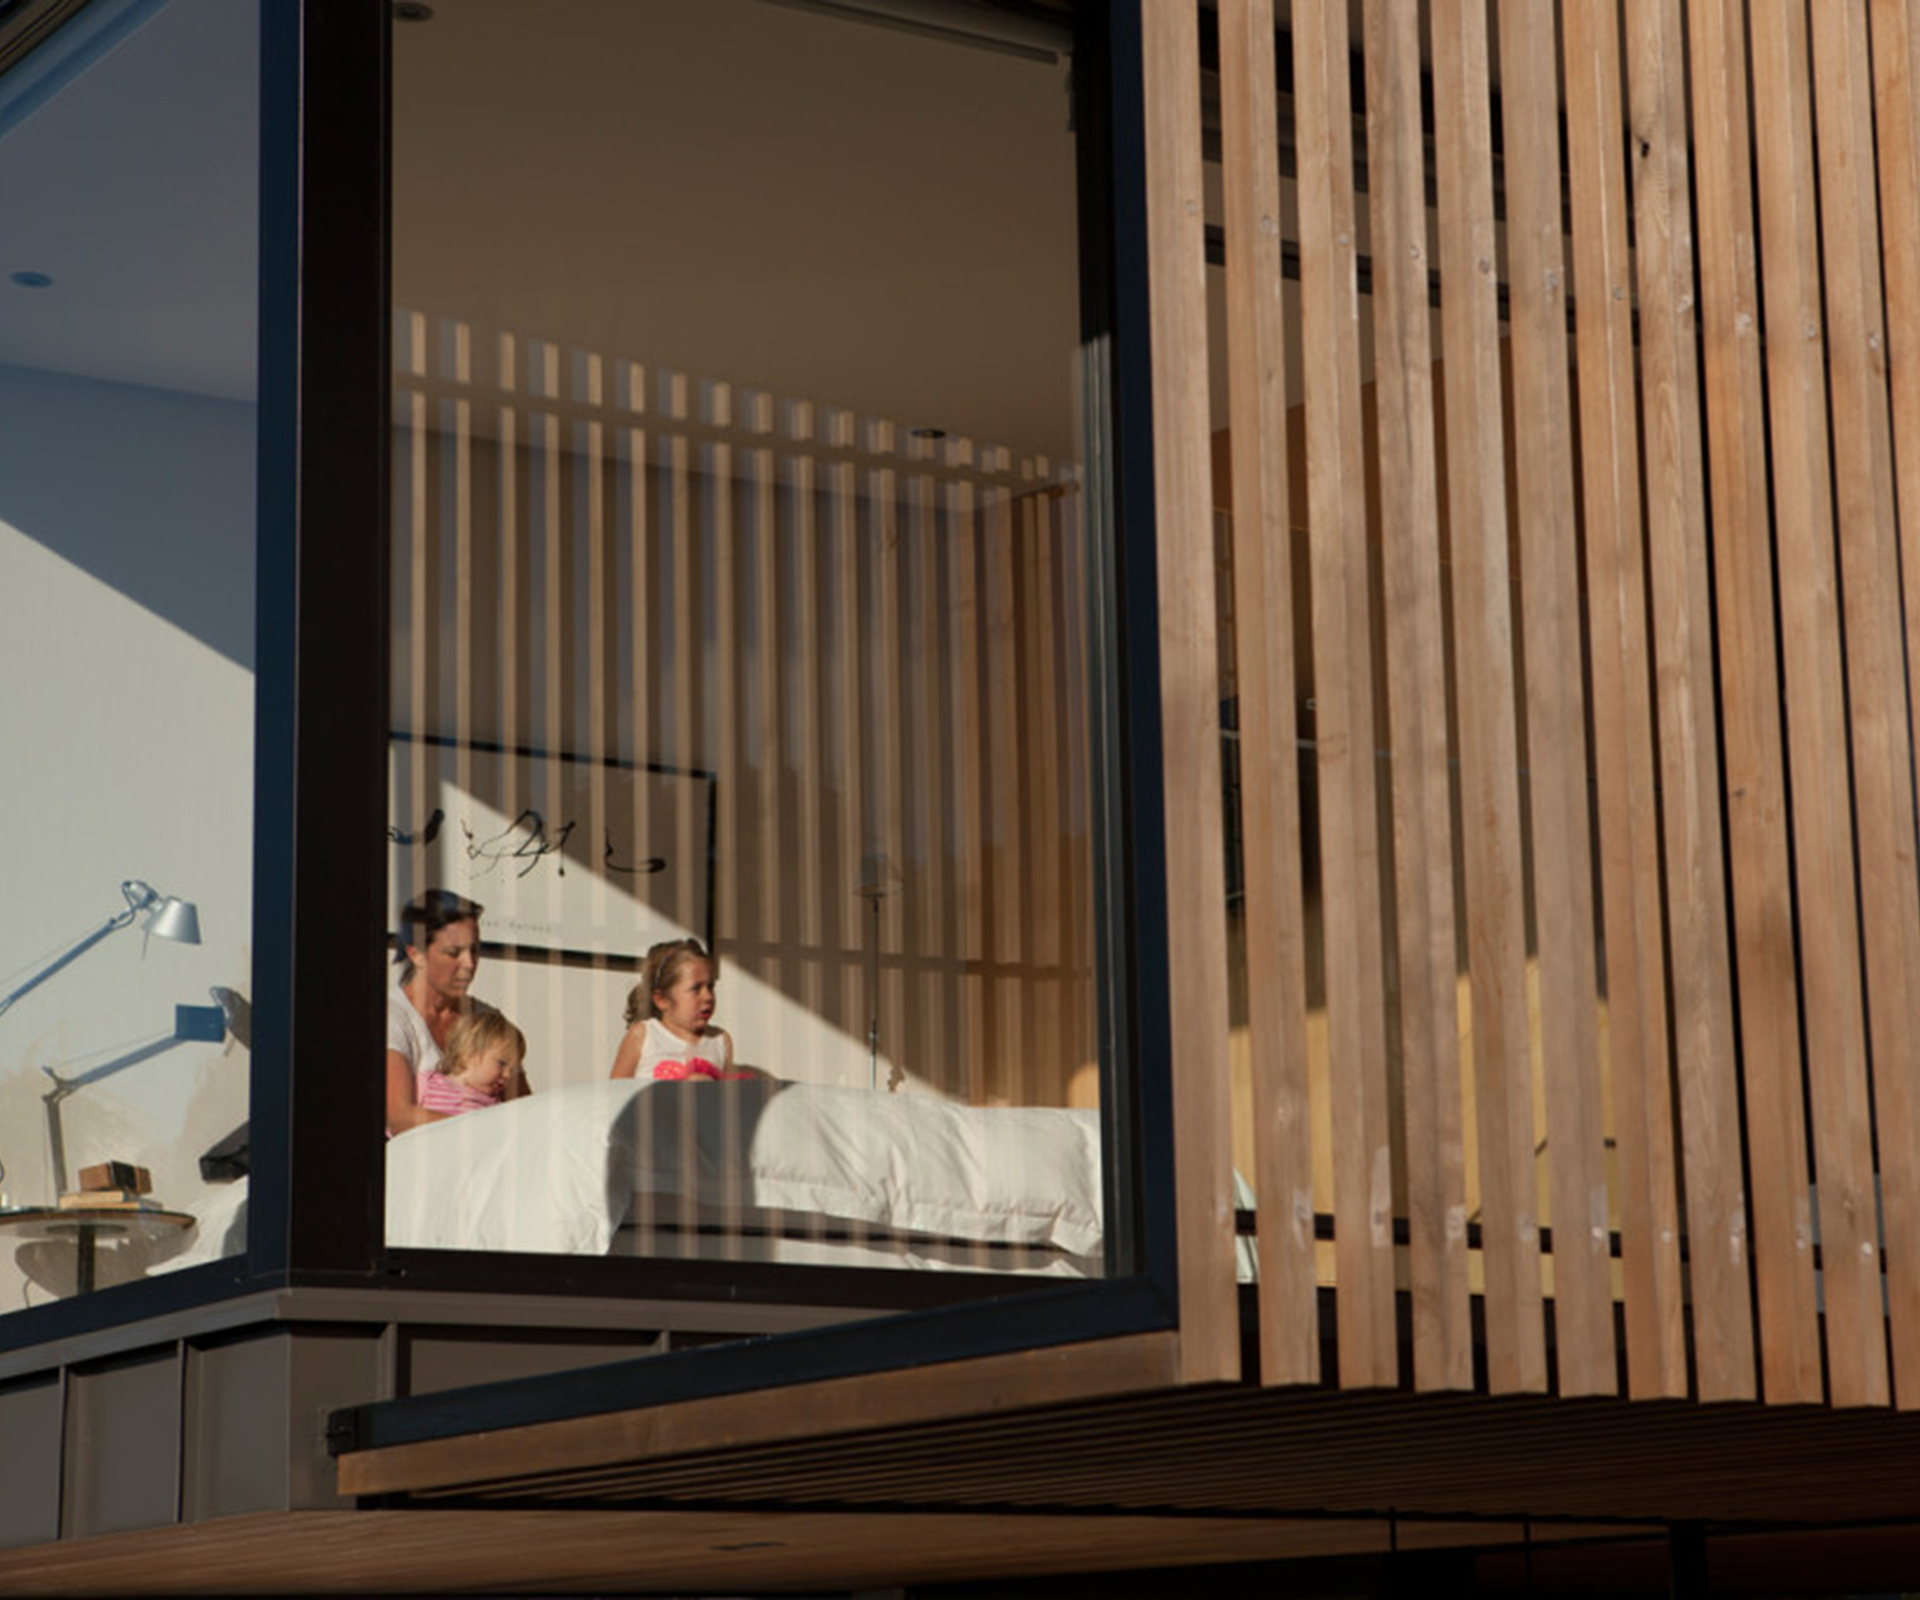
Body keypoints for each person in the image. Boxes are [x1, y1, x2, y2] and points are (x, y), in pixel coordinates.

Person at [386, 888, 530, 1133]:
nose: (469, 964)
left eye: (475, 950)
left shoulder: (488, 1020)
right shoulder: (392, 1016)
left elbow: (525, 1111)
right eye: (454, 953)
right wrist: (484, 1129)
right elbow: (399, 1118)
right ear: (416, 954)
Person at [609, 937, 752, 1081]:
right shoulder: (643, 1034)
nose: (708, 996)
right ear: (662, 999)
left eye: (710, 987)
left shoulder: (720, 1040)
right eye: (696, 988)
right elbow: (617, 1091)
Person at [417, 1010, 525, 1119]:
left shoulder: (496, 1105)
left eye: (512, 1069)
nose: (507, 1075)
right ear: (469, 1052)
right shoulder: (428, 1083)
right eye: (502, 1063)